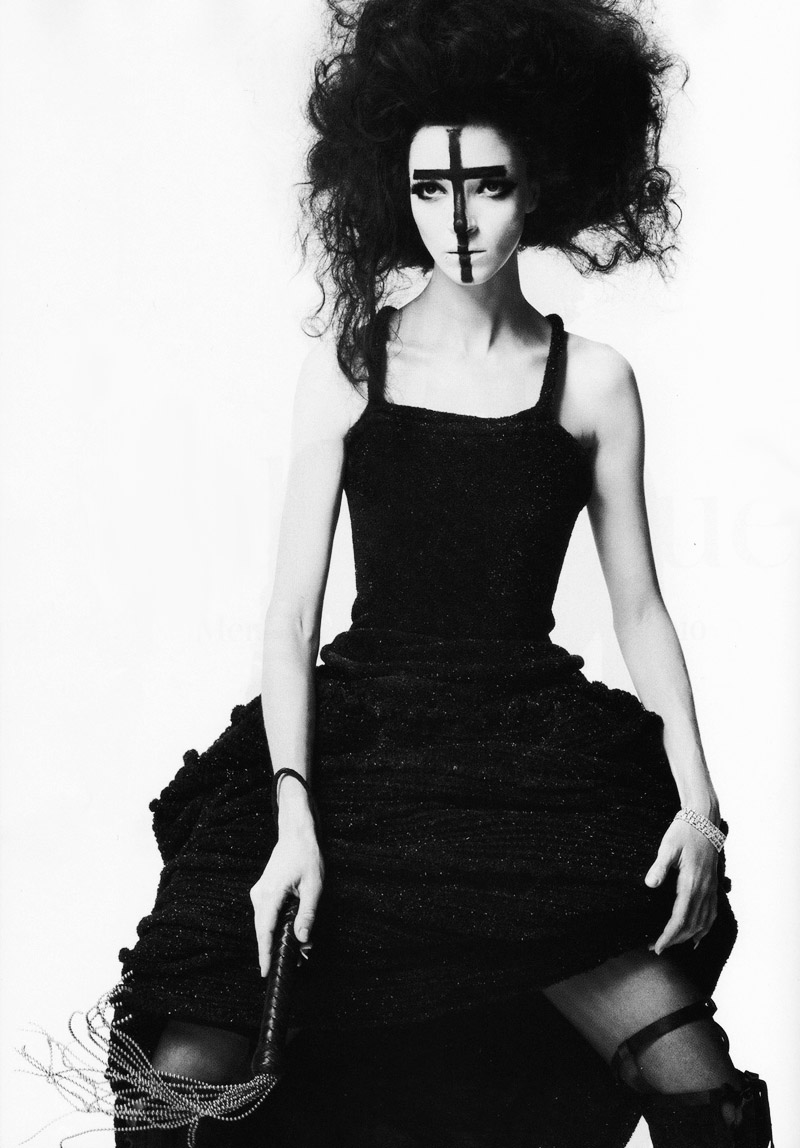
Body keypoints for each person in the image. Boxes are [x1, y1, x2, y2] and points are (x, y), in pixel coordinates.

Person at [22, 0, 775, 1145]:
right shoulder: (352, 366)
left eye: (487, 184)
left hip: (519, 768)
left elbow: (637, 607)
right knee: (178, 1091)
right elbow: (288, 618)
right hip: (353, 756)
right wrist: (293, 809)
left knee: (698, 1091)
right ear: (393, 190)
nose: (456, 219)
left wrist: (699, 805)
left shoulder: (593, 382)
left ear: (541, 183)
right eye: (430, 187)